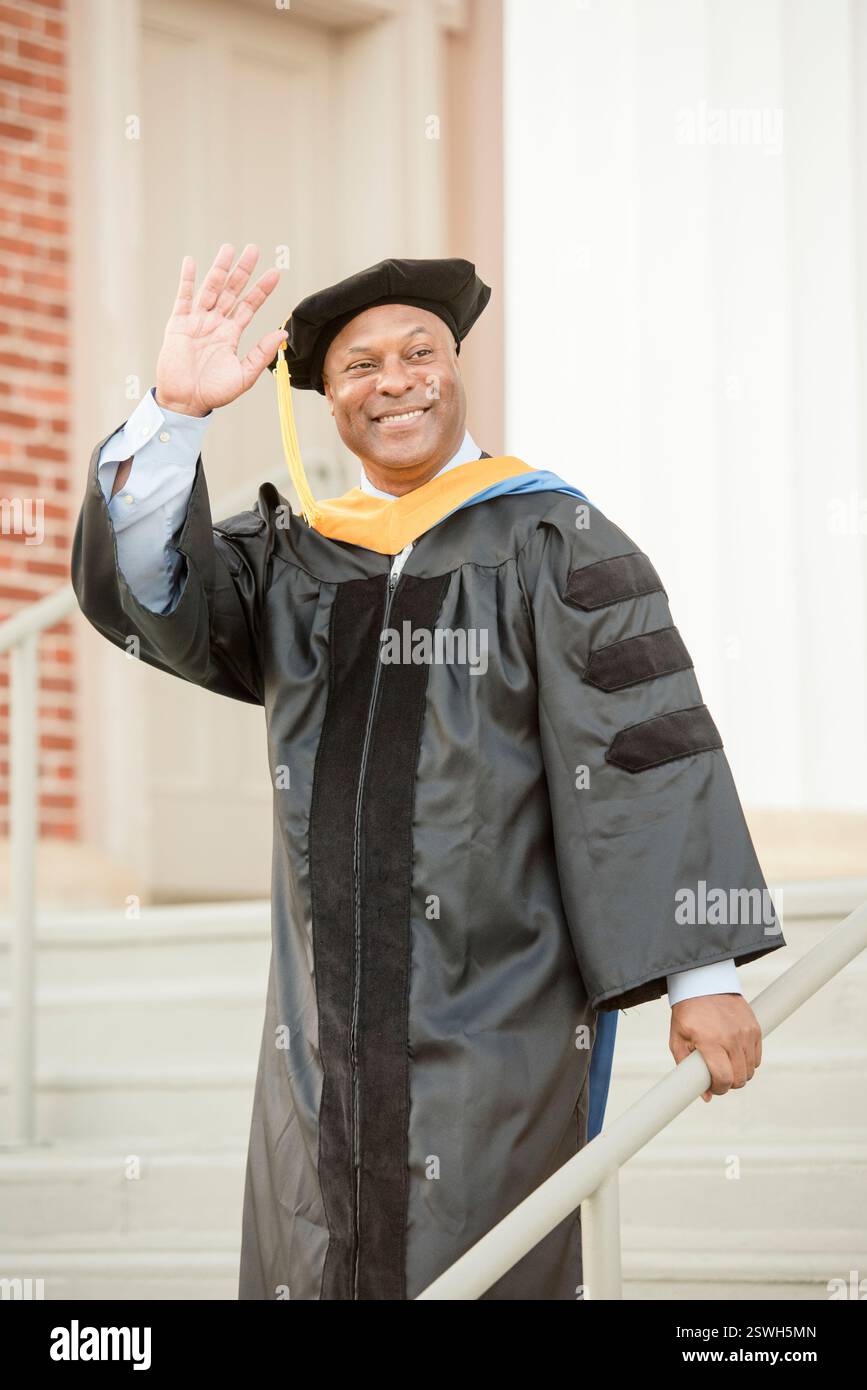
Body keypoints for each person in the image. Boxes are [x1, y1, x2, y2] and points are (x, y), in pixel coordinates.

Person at [71, 246, 786, 1300]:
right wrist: (175, 413)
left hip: (500, 1008)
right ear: (326, 400)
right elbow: (154, 595)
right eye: (358, 365)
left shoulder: (553, 536)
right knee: (316, 1251)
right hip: (321, 1030)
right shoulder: (298, 561)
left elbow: (643, 742)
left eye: (420, 351)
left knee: (486, 1259)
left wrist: (703, 974)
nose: (394, 378)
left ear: (458, 367)